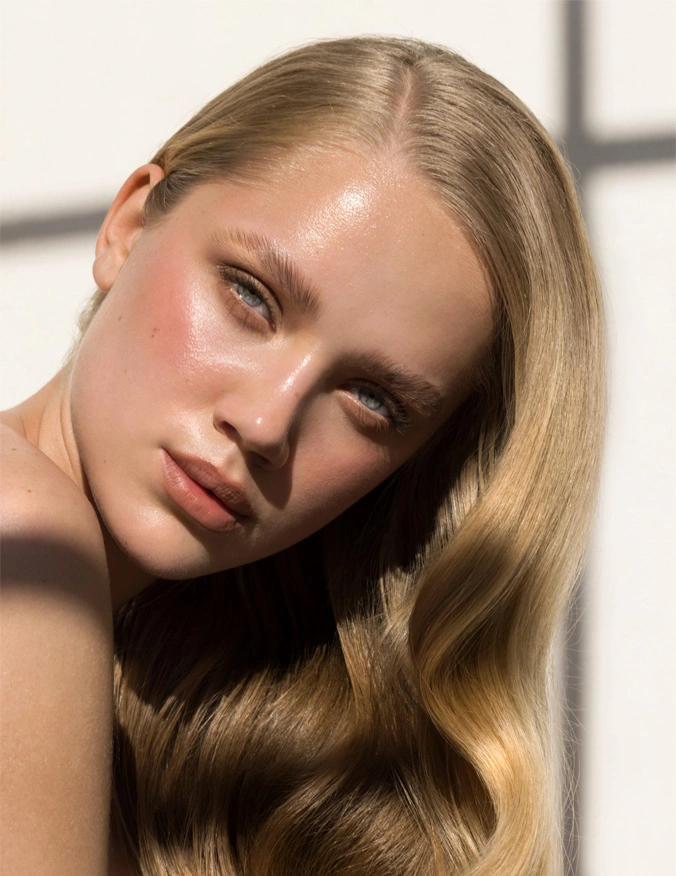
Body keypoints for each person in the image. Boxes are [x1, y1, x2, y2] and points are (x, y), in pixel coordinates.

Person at [0, 35, 604, 876]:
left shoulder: (166, 726)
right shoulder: (21, 539)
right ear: (130, 223)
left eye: (373, 399)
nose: (266, 421)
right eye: (251, 295)